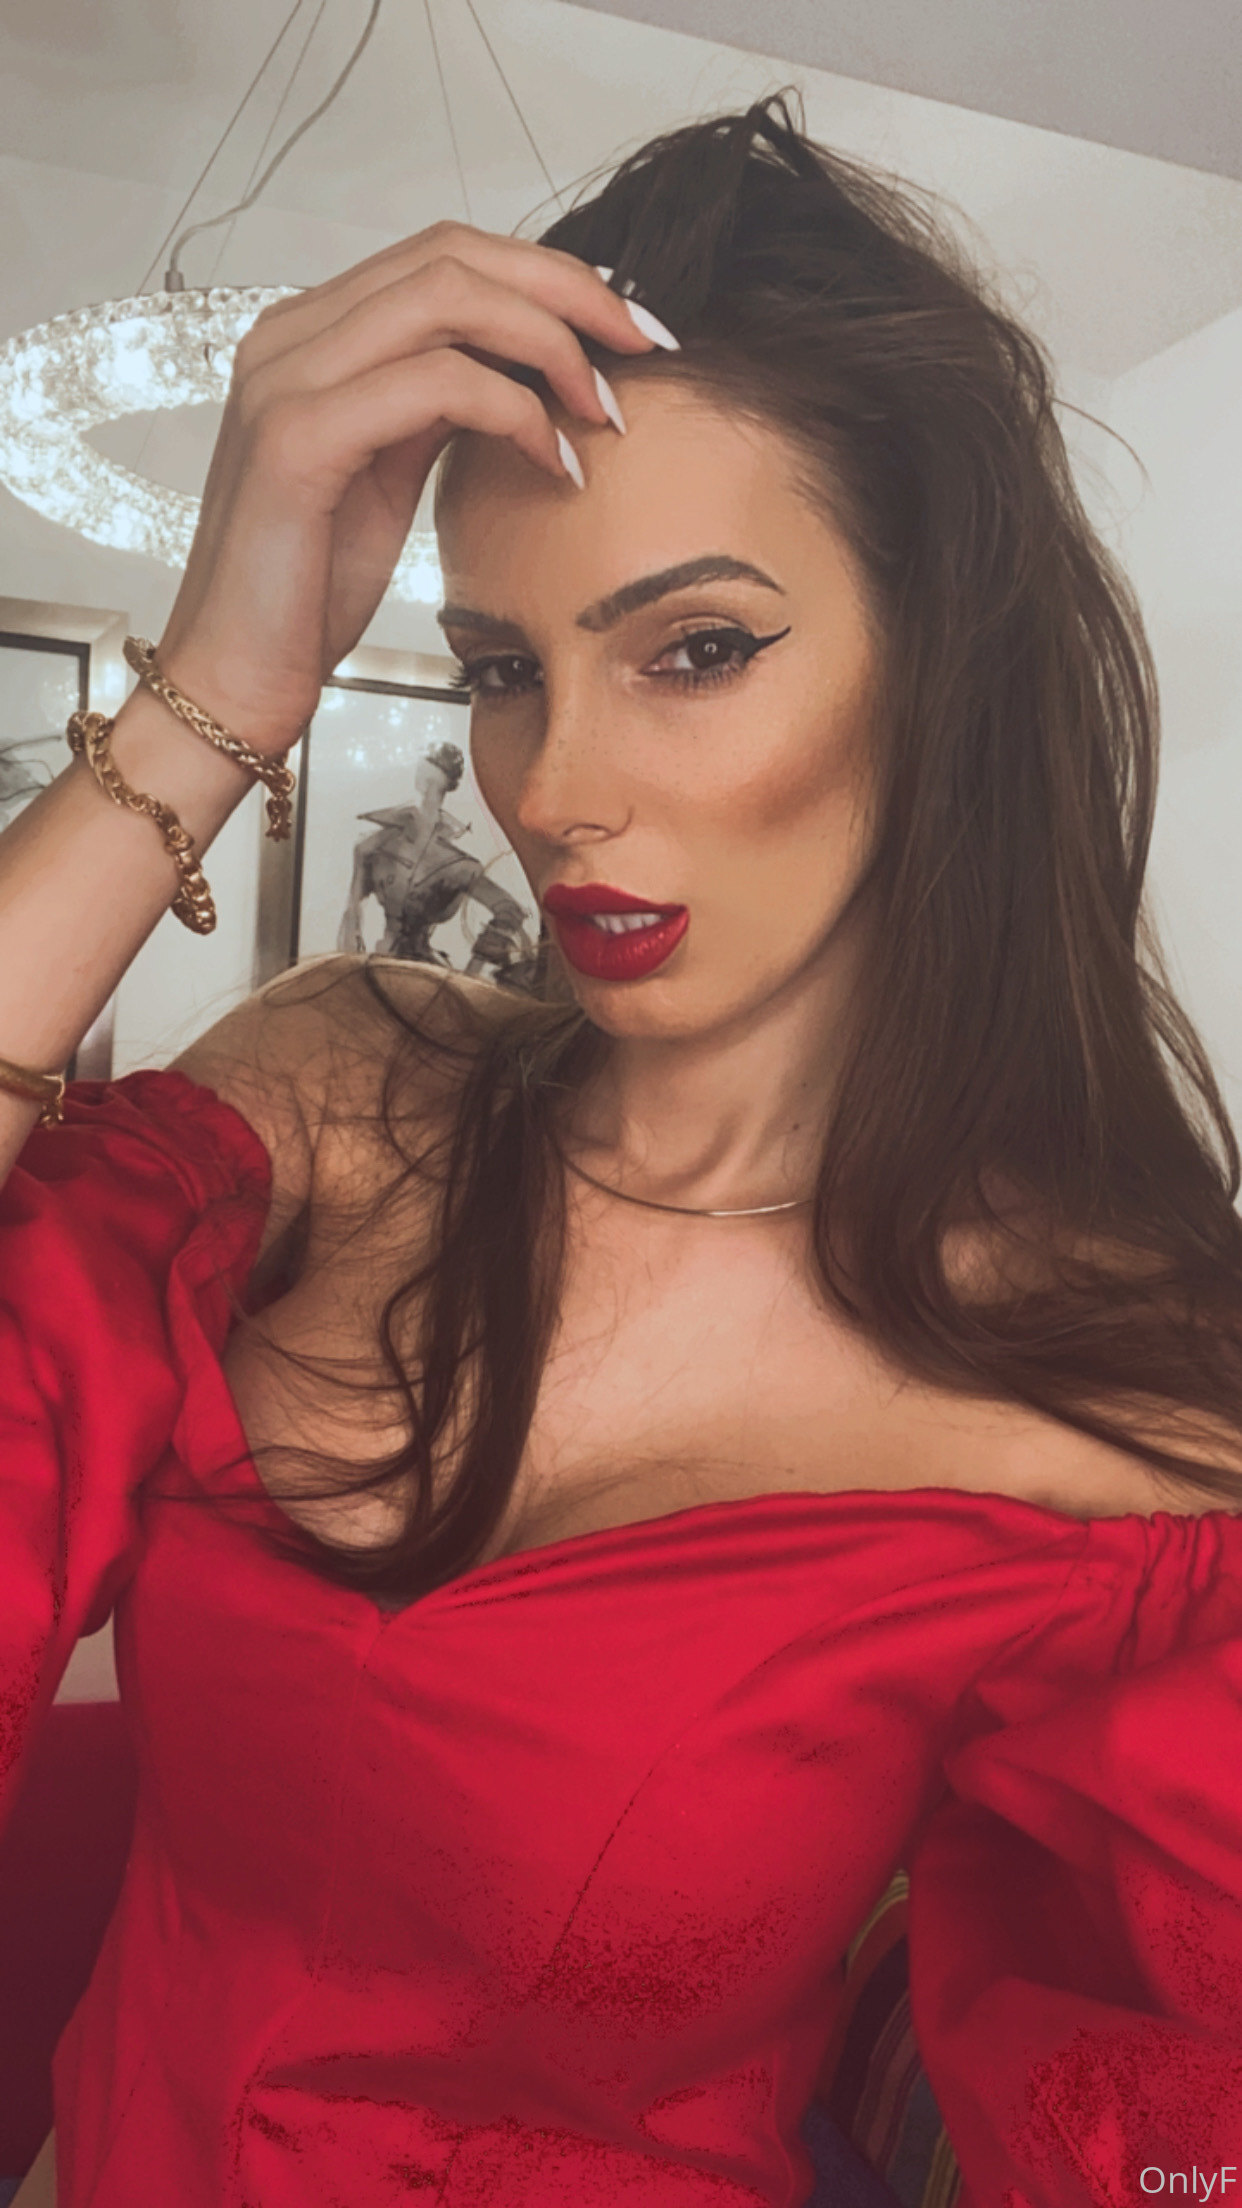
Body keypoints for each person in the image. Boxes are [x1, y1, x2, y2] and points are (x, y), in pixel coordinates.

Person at [1, 93, 1241, 2208]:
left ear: (942, 675)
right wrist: (219, 678)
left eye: (697, 649)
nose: (551, 787)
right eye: (504, 668)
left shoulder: (1128, 1423)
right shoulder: (340, 1092)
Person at [335, 740, 536, 980]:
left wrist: (472, 973)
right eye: (424, 771)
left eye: (434, 776)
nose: (426, 781)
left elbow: (510, 910)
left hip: (429, 976)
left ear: (446, 783)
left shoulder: (459, 866)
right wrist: (349, 974)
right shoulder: (373, 846)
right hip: (377, 969)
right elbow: (351, 914)